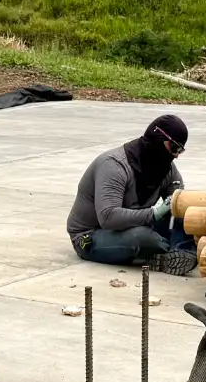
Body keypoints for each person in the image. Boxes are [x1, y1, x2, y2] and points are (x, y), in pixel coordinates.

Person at [66, 114, 196, 274]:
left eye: (180, 150)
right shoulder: (114, 166)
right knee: (144, 239)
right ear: (158, 138)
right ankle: (166, 255)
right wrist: (154, 213)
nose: (176, 155)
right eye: (174, 148)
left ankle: (182, 254)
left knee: (186, 220)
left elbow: (179, 204)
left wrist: (179, 207)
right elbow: (108, 217)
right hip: (92, 234)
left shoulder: (166, 168)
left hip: (133, 225)